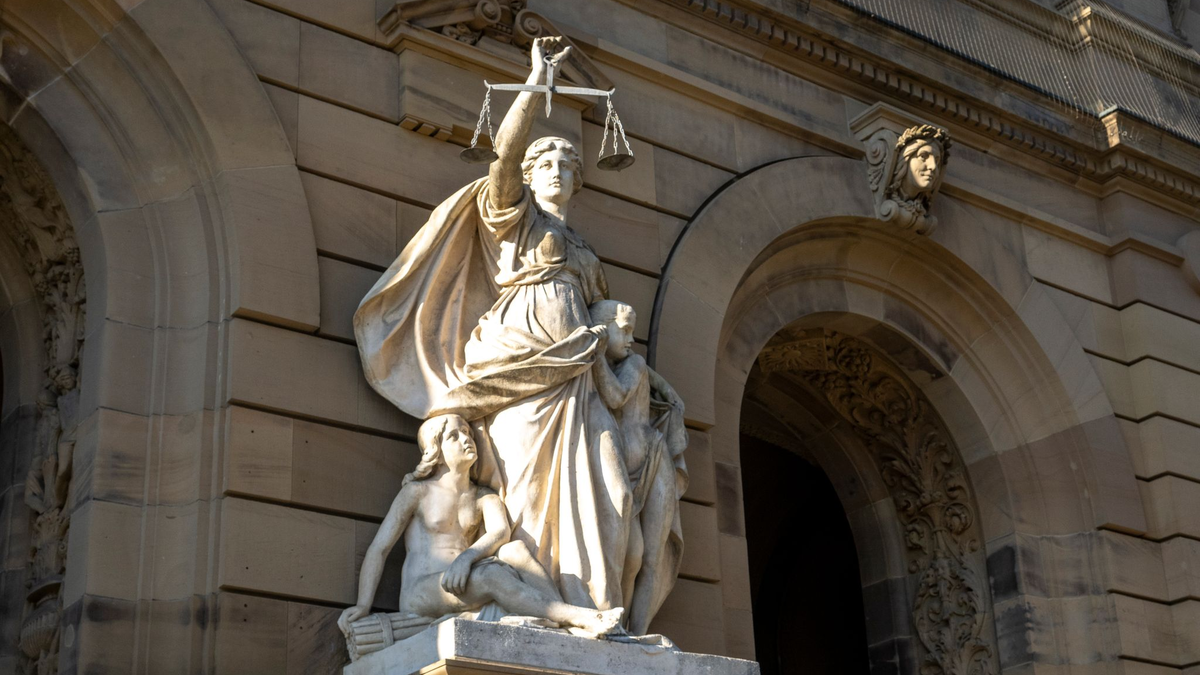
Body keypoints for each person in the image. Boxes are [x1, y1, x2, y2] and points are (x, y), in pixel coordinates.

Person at [355, 36, 644, 612]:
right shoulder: (515, 216)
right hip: (516, 368)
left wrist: (639, 377)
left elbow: (607, 329)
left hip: (581, 375)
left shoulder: (584, 251)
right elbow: (505, 156)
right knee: (528, 494)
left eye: (566, 165)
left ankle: (596, 610)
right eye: (546, 164)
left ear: (578, 180)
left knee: (612, 494)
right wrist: (536, 84)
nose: (556, 172)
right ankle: (547, 608)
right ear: (529, 179)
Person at [337, 414, 625, 646]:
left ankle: (562, 622)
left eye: (467, 433)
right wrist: (363, 605)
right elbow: (380, 548)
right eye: (454, 436)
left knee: (515, 550)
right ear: (436, 451)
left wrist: (466, 558)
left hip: (462, 582)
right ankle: (580, 617)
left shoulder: (482, 496)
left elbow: (501, 533)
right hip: (422, 592)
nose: (466, 439)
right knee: (491, 575)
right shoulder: (418, 492)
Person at [588, 300, 689, 634]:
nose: (631, 339)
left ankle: (639, 633)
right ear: (604, 328)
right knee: (631, 558)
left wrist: (597, 354)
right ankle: (620, 626)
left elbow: (616, 396)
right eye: (625, 330)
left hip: (652, 459)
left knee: (650, 559)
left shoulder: (632, 362)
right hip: (621, 466)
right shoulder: (598, 362)